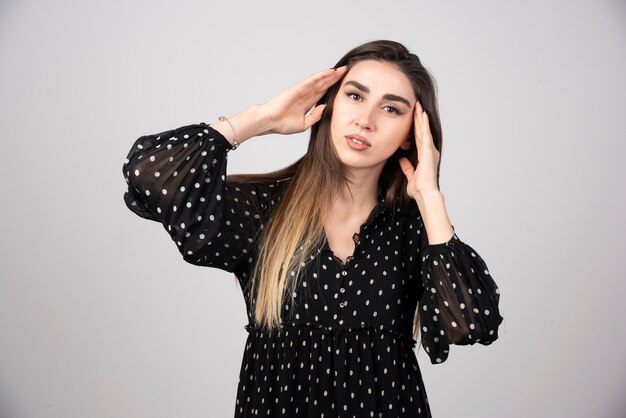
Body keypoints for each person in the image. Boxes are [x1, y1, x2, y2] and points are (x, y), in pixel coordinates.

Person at [122, 39, 503, 417]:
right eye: (355, 96)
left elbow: (470, 324)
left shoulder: (415, 231)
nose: (365, 120)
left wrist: (430, 196)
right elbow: (147, 176)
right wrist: (261, 118)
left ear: (411, 134)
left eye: (390, 108)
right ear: (330, 104)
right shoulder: (264, 209)